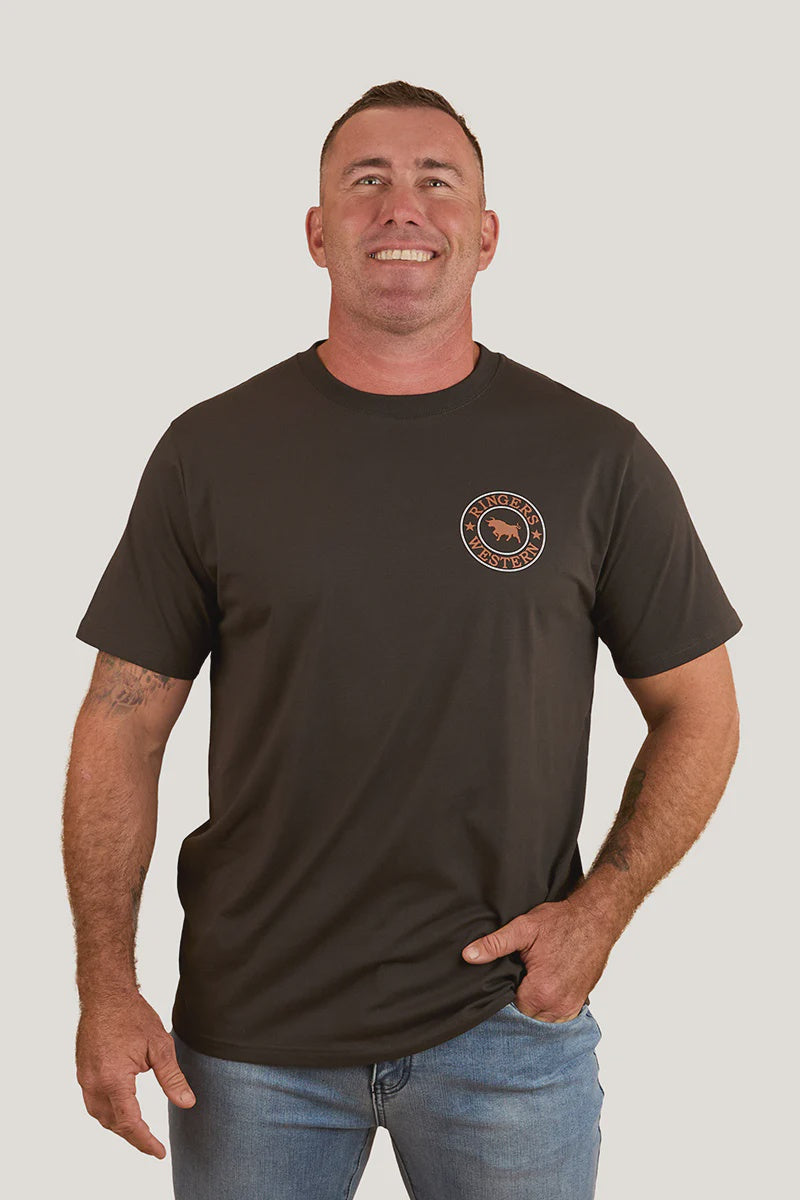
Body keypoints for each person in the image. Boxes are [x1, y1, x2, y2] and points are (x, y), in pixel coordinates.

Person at [63, 80, 743, 1200]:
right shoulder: (211, 452)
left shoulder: (594, 457)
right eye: (365, 180)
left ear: (486, 234)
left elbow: (699, 708)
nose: (401, 208)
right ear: (316, 232)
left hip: (506, 1031)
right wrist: (105, 984)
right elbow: (122, 722)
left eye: (437, 181)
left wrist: (600, 912)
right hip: (251, 1041)